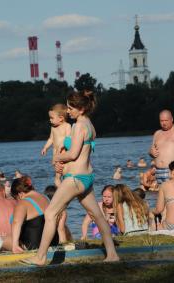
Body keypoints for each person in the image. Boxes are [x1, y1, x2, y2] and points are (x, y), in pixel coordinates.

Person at [21, 90, 119, 266]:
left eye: (70, 108)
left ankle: (41, 257)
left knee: (51, 213)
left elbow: (73, 154)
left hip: (75, 178)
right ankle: (112, 255)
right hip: (86, 177)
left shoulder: (79, 126)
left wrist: (58, 158)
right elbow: (82, 152)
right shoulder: (89, 123)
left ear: (81, 108)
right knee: (97, 215)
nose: (67, 111)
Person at [1, 176, 58, 253]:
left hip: (33, 245)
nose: (17, 201)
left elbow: (16, 222)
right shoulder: (45, 198)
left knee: (0, 240)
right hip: (53, 242)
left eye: (16, 198)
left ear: (20, 194)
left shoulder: (23, 202)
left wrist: (15, 245)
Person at [41, 104, 72, 187]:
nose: (50, 120)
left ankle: (65, 187)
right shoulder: (53, 128)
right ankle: (60, 189)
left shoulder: (67, 126)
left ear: (61, 118)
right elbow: (51, 139)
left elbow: (69, 139)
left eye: (52, 118)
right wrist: (45, 148)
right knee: (57, 176)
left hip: (64, 154)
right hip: (56, 156)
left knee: (65, 173)